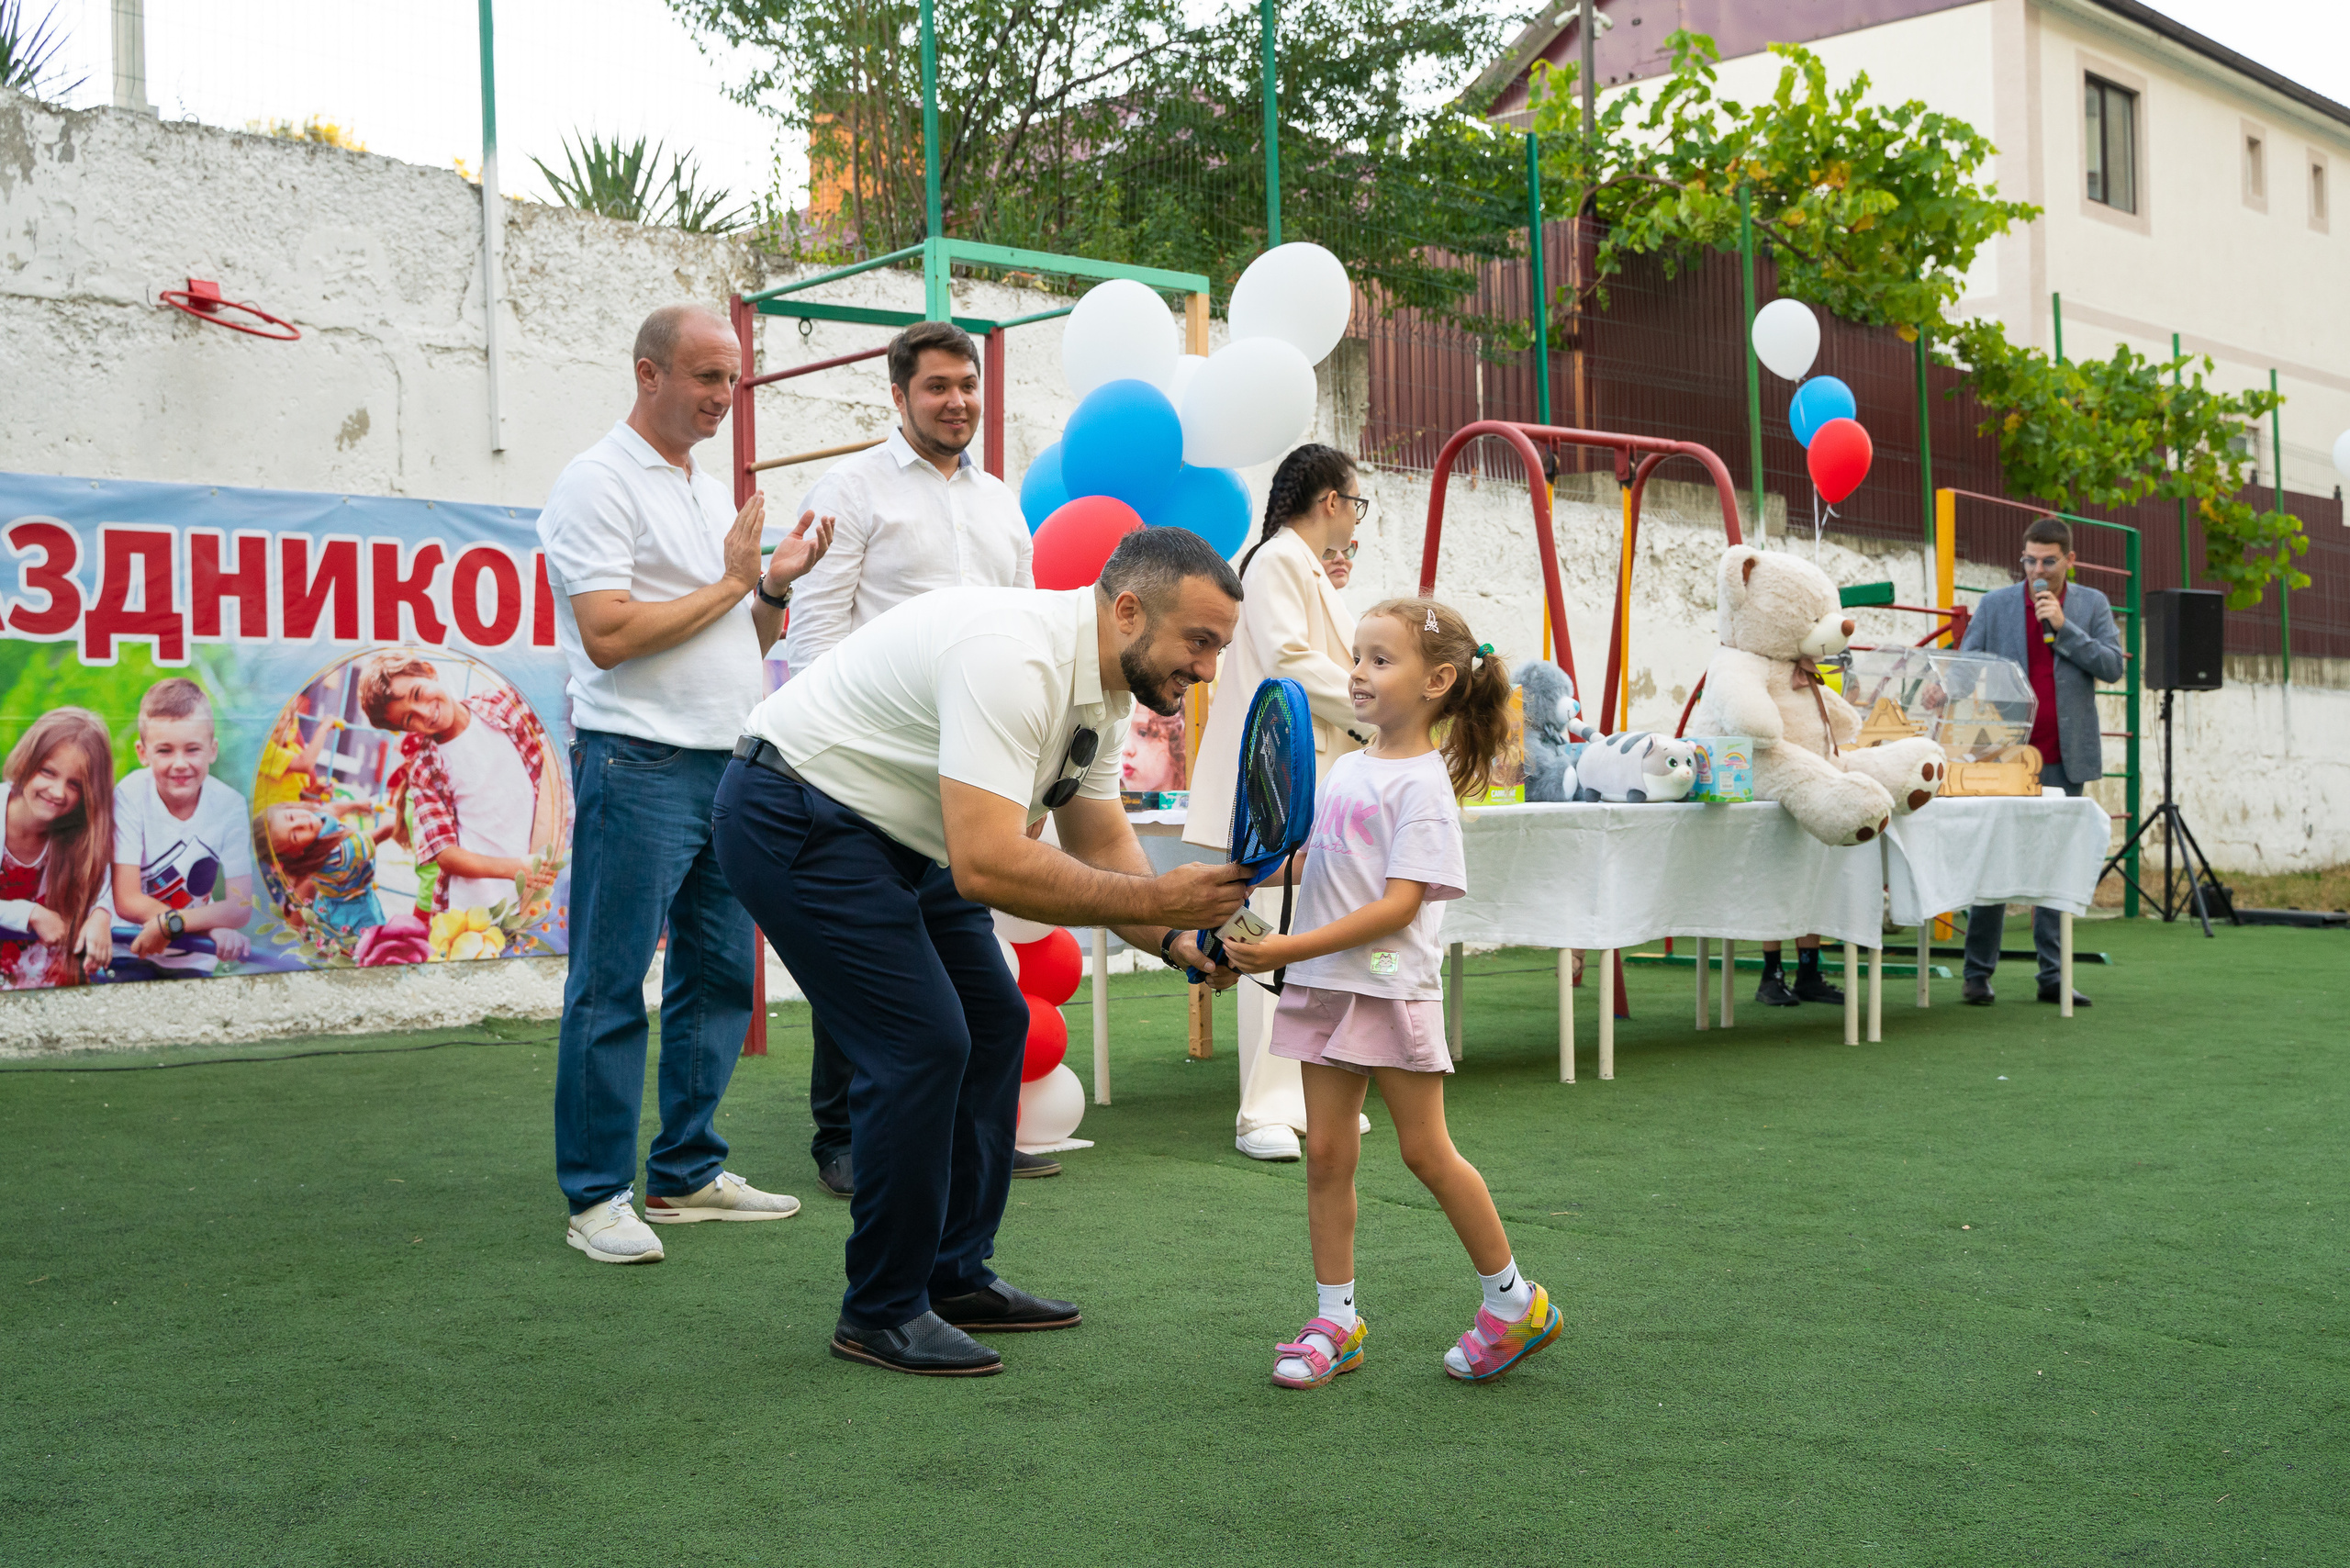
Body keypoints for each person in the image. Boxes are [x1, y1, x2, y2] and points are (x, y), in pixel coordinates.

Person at [713, 527, 1251, 1377]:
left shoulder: (1104, 691)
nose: (1209, 668)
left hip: (905, 838)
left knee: (994, 1024)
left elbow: (1104, 845)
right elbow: (989, 862)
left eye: (1218, 648)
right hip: (795, 812)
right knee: (922, 1044)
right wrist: (1158, 901)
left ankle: (954, 1278)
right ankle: (881, 1311)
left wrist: (1184, 943)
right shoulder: (1015, 657)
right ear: (1127, 611)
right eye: (1200, 642)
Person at [536, 301, 836, 1265]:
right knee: (611, 983)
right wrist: (729, 582)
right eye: (706, 376)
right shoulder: (595, 483)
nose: (723, 396)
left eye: (733, 378)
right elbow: (609, 636)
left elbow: (739, 639)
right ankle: (594, 1198)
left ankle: (686, 1172)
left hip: (728, 761)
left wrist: (773, 587)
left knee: (718, 980)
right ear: (648, 374)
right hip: (637, 759)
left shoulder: (713, 496)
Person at [1224, 598, 1561, 1387]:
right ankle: (1335, 1322)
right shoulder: (1347, 767)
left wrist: (1283, 947)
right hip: (1321, 986)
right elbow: (1323, 863)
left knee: (1425, 1152)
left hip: (1385, 990)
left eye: (1381, 659)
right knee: (1328, 1157)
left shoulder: (1424, 789)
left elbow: (1398, 905)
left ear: (1438, 680)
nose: (1359, 671)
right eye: (1359, 655)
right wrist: (1255, 875)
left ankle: (1513, 1302)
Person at [779, 319, 1044, 1199]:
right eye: (936, 387)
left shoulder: (1002, 502)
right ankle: (841, 1139)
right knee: (861, 957)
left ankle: (977, 1139)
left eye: (966, 386)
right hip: (868, 762)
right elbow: (814, 634)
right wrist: (837, 760)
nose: (956, 401)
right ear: (897, 396)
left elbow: (1025, 633)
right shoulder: (849, 491)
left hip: (970, 763)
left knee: (966, 973)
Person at [1185, 442, 1373, 1162]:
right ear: (1331, 501)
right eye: (1355, 505)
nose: (1356, 523)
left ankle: (1308, 1094)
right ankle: (1261, 1108)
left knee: (1314, 933)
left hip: (1305, 771)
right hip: (1271, 776)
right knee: (1266, 930)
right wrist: (1369, 711)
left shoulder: (1302, 564)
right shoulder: (1277, 560)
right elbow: (1292, 662)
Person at [1955, 515, 2124, 1007]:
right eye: (2030, 560)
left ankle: (2054, 976)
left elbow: (2112, 666)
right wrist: (1957, 690)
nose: (2037, 570)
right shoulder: (1996, 605)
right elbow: (1966, 668)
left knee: (2054, 867)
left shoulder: (2091, 605)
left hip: (2064, 758)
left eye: (2048, 561)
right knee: (1993, 860)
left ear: (2070, 560)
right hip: (2004, 757)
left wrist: (2062, 627)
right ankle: (1977, 973)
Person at [358, 654, 562, 916]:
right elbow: (445, 854)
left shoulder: (502, 707)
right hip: (474, 907)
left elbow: (557, 707)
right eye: (409, 719)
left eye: (418, 694)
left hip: (536, 887)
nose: (424, 713)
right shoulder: (426, 770)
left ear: (429, 671)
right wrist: (515, 868)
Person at [107, 678, 255, 979]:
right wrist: (197, 921)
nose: (180, 764)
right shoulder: (130, 795)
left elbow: (240, 906)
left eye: (192, 749)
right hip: (127, 944)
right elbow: (126, 899)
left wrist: (174, 924)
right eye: (164, 750)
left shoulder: (231, 806)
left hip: (194, 954)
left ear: (212, 750)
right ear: (142, 752)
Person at [0, 708, 116, 989]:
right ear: (27, 762)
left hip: (48, 989)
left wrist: (101, 914)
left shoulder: (81, 837)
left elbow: (111, 887)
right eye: (48, 772)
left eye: (74, 784)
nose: (57, 792)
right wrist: (29, 913)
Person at [254, 800, 388, 936]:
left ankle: (295, 933)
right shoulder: (339, 853)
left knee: (306, 893)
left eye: (291, 817)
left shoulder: (317, 818)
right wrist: (405, 818)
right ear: (296, 852)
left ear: (288, 807)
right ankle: (293, 935)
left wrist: (356, 805)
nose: (302, 823)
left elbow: (333, 809)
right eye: (294, 836)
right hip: (354, 908)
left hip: (328, 898)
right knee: (373, 940)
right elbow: (382, 833)